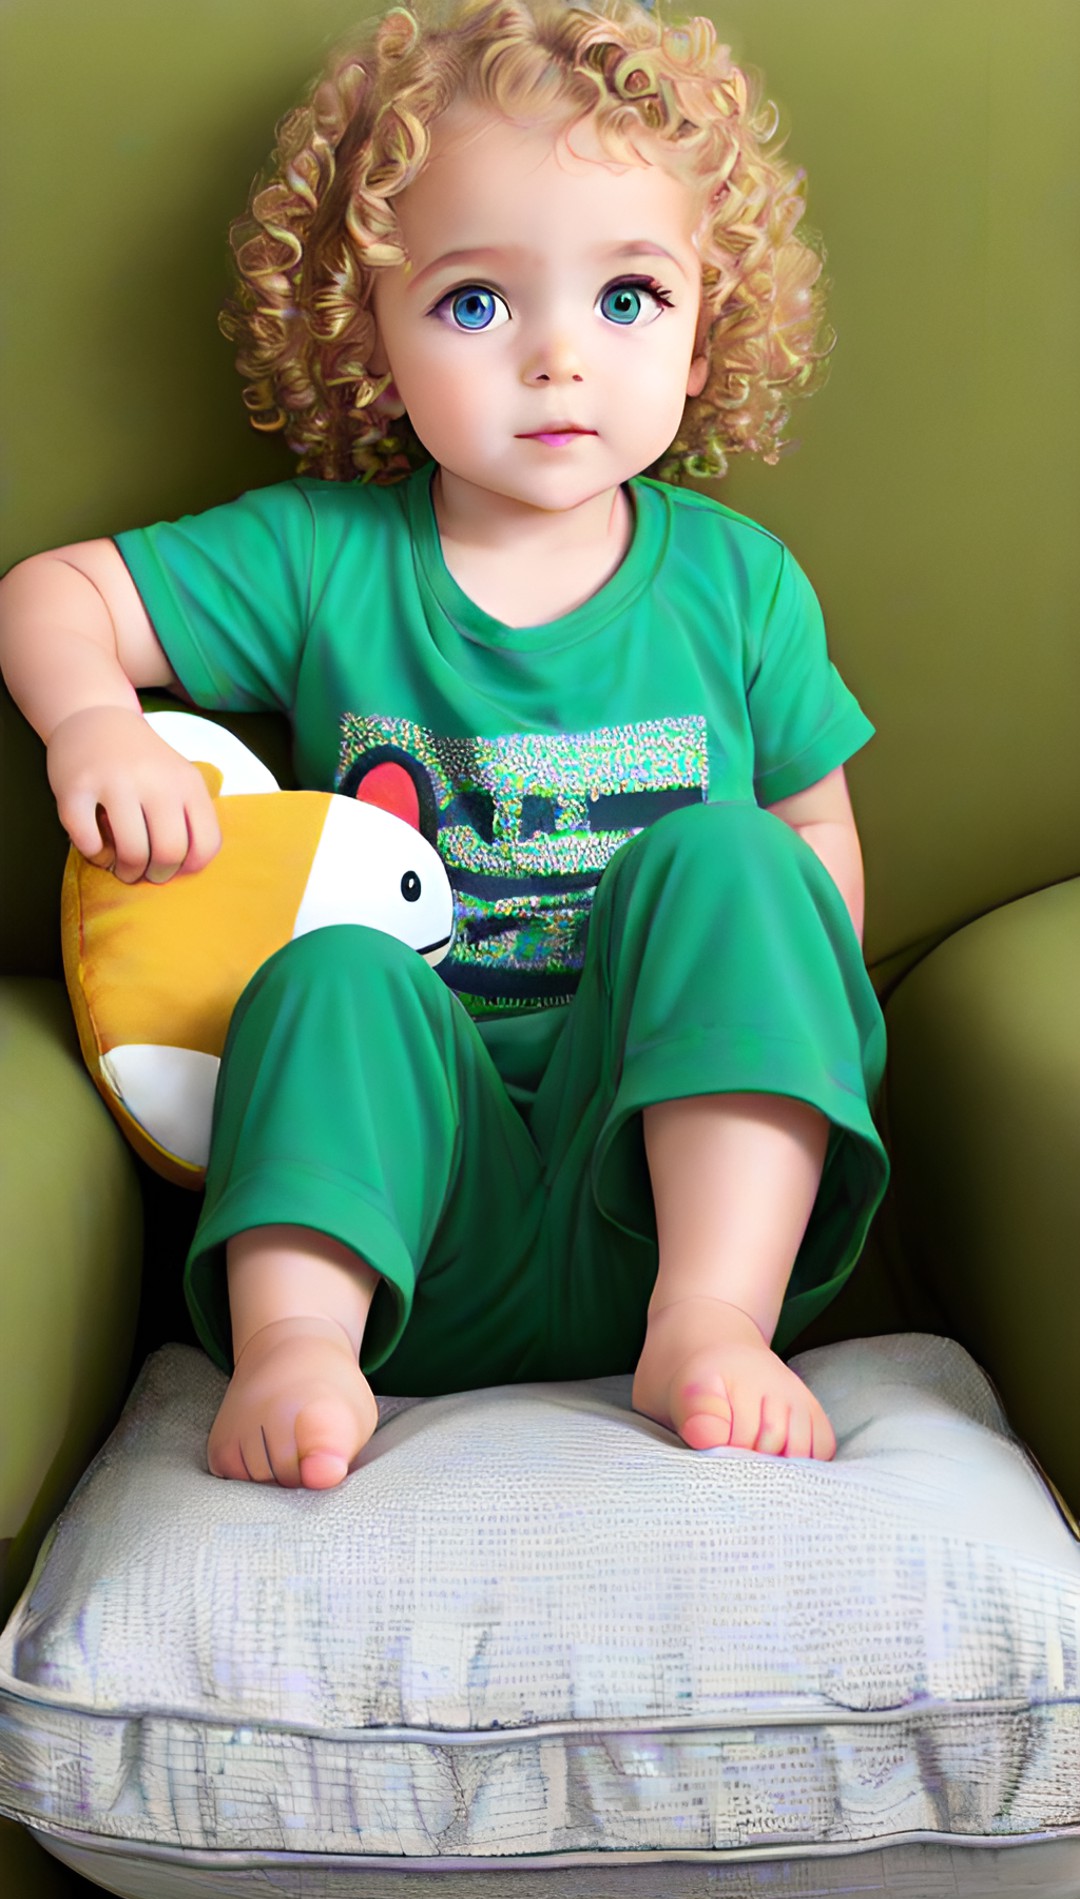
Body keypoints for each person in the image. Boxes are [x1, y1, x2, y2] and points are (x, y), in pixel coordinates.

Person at [0, 0, 888, 1489]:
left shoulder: (740, 586)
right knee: (333, 975)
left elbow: (818, 844)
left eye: (627, 300)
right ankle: (295, 1351)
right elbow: (54, 592)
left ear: (706, 318)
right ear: (371, 330)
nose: (557, 359)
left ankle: (714, 1328)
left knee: (743, 857)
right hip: (410, 1211)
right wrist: (97, 722)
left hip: (678, 1200)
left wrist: (768, 1018)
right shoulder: (323, 560)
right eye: (478, 304)